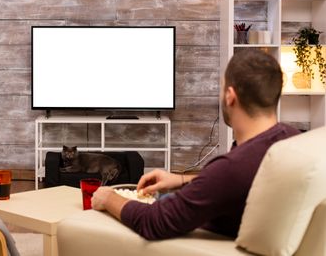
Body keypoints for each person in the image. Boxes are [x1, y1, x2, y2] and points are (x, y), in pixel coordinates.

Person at [91, 49, 301, 240]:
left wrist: (109, 198)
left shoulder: (232, 167)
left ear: (230, 96)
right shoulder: (293, 139)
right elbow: (237, 184)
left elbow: (153, 222)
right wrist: (181, 179)